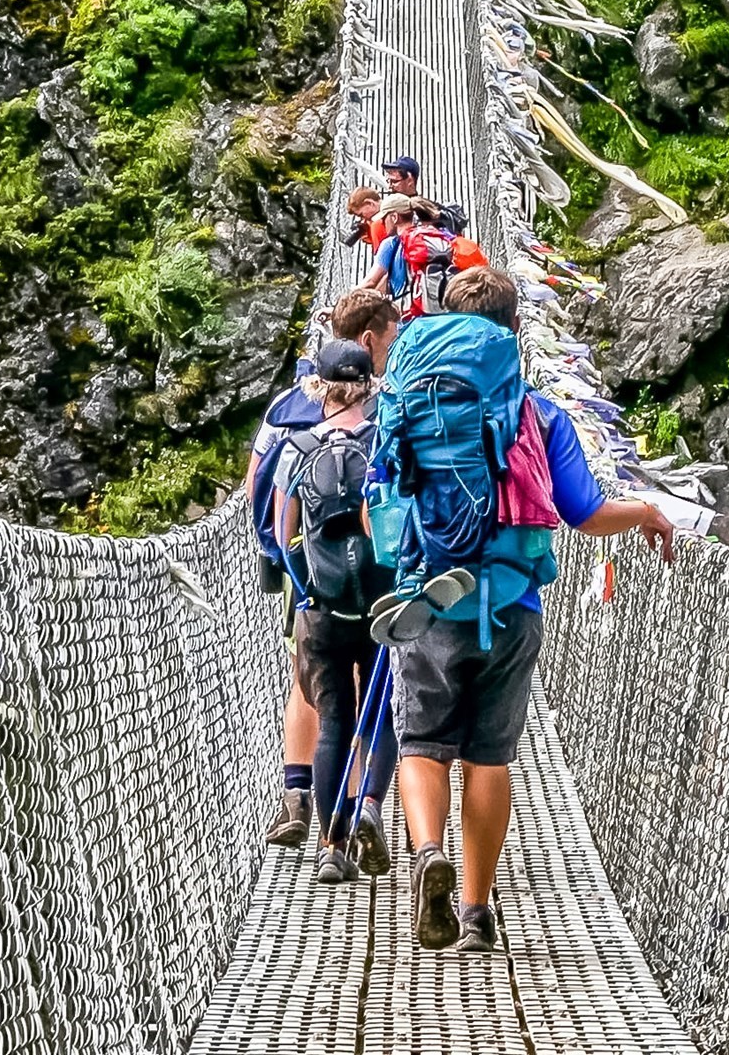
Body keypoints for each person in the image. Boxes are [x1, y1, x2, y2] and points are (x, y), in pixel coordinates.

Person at [392, 266, 678, 956]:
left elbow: (384, 494)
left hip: (431, 599)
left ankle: (430, 850)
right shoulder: (539, 413)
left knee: (421, 743)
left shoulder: (412, 397)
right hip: (513, 604)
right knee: (490, 756)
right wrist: (646, 510)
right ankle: (476, 912)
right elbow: (584, 512)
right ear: (517, 331)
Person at [250, 288, 404, 846]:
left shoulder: (289, 430)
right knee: (380, 706)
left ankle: (324, 832)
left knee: (326, 704)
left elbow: (271, 512)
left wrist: (290, 573)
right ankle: (369, 805)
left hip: (318, 594)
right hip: (383, 596)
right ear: (368, 373)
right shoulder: (387, 430)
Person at [276, 339, 398, 883]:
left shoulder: (296, 448)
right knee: (381, 718)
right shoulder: (385, 443)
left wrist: (305, 586)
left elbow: (281, 536)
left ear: (317, 387)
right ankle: (370, 805)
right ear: (370, 387)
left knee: (333, 725)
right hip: (384, 606)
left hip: (322, 610)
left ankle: (331, 843)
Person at [361, 198, 487, 314]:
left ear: (394, 217)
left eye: (384, 218)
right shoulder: (438, 238)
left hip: (410, 316)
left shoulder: (390, 244)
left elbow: (371, 282)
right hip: (446, 311)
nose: (382, 223)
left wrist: (347, 301)